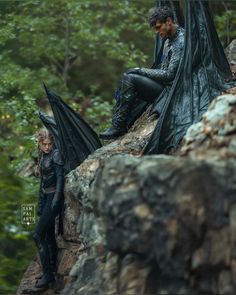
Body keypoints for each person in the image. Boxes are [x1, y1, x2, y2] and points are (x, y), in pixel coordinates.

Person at [100, 6, 185, 140]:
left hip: (174, 92)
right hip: (165, 88)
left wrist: (140, 70)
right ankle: (119, 124)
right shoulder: (169, 40)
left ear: (168, 21)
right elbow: (163, 69)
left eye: (158, 27)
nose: (157, 32)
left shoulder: (181, 41)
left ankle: (118, 126)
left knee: (131, 78)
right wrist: (140, 73)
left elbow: (169, 75)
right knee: (127, 78)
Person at [33, 128, 64, 289]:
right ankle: (50, 269)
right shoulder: (42, 156)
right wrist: (40, 204)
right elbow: (42, 183)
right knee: (47, 235)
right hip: (45, 198)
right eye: (44, 144)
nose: (47, 147)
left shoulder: (56, 154)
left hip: (53, 198)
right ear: (39, 144)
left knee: (37, 235)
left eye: (49, 144)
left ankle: (48, 275)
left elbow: (60, 178)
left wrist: (57, 200)